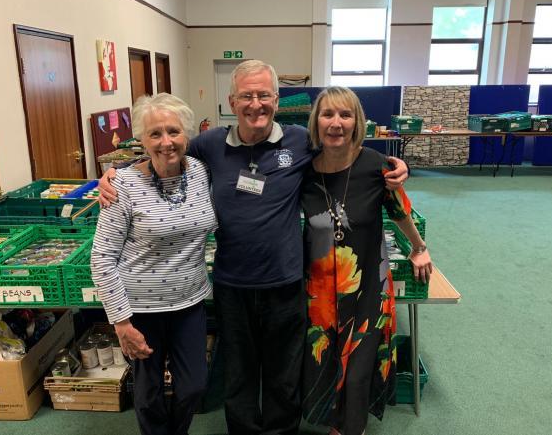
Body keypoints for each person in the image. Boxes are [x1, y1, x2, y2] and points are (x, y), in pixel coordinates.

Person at [98, 60, 410, 434]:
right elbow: (166, 148)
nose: (255, 104)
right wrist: (116, 173)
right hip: (233, 285)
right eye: (246, 95)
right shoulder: (211, 145)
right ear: (232, 100)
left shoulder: (299, 141)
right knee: (240, 375)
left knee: (283, 375)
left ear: (276, 100)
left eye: (264, 95)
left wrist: (393, 165)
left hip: (285, 281)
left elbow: (341, 147)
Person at [300, 86, 432, 435]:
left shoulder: (378, 167)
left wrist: (419, 247)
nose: (336, 123)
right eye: (328, 114)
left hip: (368, 287)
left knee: (357, 370)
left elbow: (400, 211)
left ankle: (350, 428)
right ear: (317, 121)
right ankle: (335, 423)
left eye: (345, 115)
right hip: (319, 288)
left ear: (357, 123)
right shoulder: (303, 171)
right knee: (325, 361)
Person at [90, 93, 217, 435]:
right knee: (148, 395)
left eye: (173, 132)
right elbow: (102, 256)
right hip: (141, 308)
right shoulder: (123, 186)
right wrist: (120, 322)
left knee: (193, 386)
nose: (166, 142)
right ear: (141, 140)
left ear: (187, 135)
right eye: (155, 134)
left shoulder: (202, 172)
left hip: (190, 303)